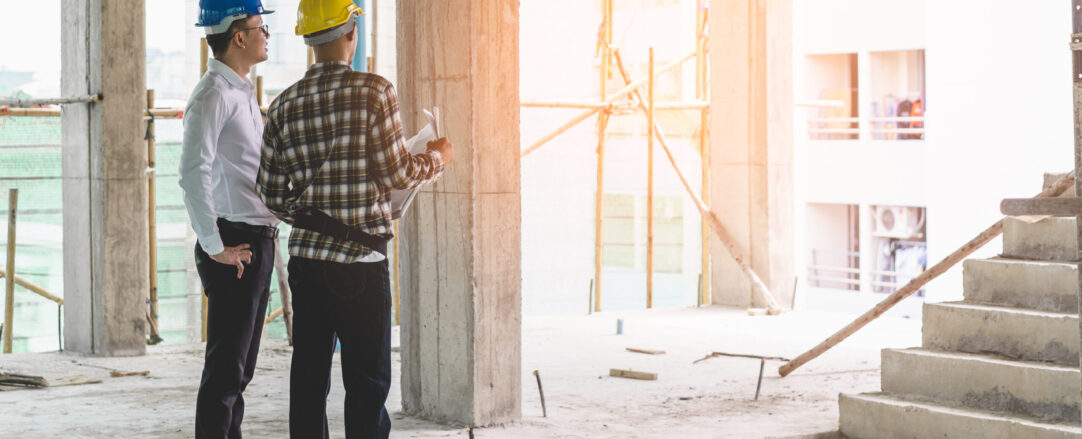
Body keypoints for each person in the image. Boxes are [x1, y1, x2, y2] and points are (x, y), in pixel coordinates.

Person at [256, 1, 454, 437]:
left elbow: (270, 193)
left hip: (306, 264)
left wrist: (313, 216)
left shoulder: (283, 104)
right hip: (360, 266)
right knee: (366, 384)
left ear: (309, 40)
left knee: (308, 381)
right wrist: (436, 158)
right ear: (352, 33)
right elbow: (397, 172)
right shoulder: (374, 91)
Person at [179, 1, 278, 437]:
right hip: (234, 242)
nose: (267, 35)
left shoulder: (241, 90)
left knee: (239, 375)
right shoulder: (213, 94)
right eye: (261, 26)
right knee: (225, 375)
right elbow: (191, 171)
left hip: (255, 239)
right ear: (239, 36)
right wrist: (214, 245)